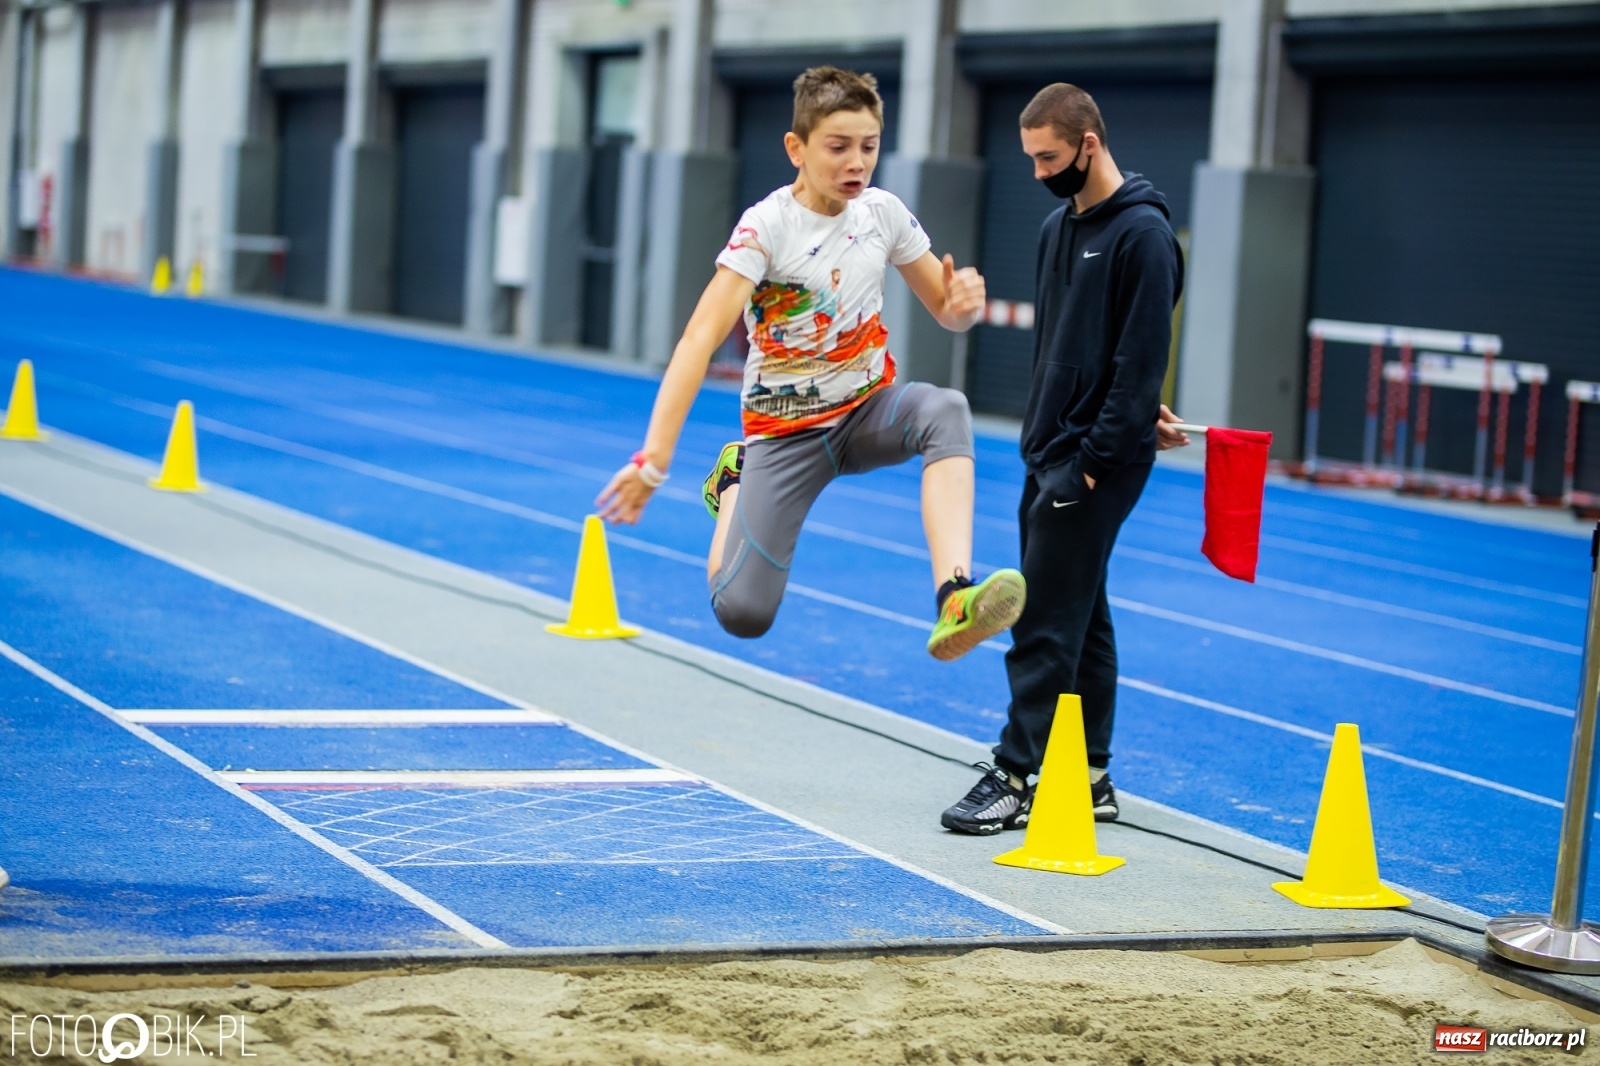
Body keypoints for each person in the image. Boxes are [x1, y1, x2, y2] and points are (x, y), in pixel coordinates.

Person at [597, 66, 1025, 666]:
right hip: (785, 434)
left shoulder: (882, 214)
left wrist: (961, 308)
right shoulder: (767, 227)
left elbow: (946, 312)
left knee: (946, 409)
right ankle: (734, 482)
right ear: (796, 149)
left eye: (869, 147)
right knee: (744, 614)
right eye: (838, 147)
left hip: (866, 412)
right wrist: (654, 461)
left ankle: (954, 594)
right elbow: (698, 339)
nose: (857, 163)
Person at [941, 82, 1191, 835]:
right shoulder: (1057, 228)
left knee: (1045, 615)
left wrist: (1093, 461)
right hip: (1049, 449)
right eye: (1031, 158)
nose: (1038, 172)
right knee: (1083, 609)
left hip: (1093, 462)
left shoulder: (1145, 236)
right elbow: (1067, 349)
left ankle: (1016, 773)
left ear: (1089, 143)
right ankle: (1089, 776)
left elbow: (1140, 364)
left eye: (1048, 158)